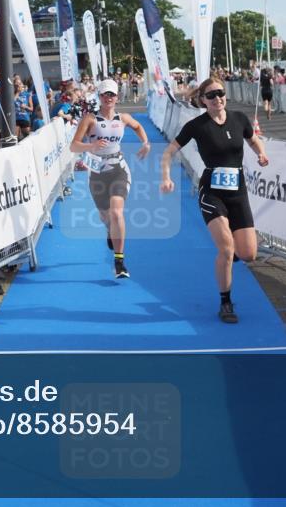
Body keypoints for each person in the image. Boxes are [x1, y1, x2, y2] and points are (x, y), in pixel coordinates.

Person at [159, 78, 269, 323]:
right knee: (227, 249)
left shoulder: (239, 118)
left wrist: (261, 153)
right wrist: (166, 177)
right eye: (211, 95)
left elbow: (252, 139)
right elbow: (168, 152)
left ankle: (230, 256)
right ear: (203, 100)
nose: (217, 98)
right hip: (212, 192)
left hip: (237, 190)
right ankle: (226, 302)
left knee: (249, 254)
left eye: (220, 93)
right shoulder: (196, 125)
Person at [69, 79, 150, 279]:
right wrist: (91, 147)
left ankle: (119, 261)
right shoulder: (90, 119)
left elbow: (138, 126)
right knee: (106, 217)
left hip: (118, 169)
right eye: (105, 94)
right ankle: (109, 231)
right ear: (99, 97)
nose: (109, 98)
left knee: (116, 212)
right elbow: (74, 146)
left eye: (112, 95)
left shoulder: (123, 118)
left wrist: (146, 143)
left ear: (117, 97)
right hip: (97, 172)